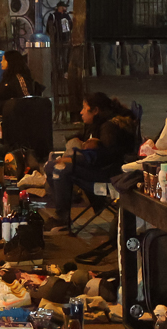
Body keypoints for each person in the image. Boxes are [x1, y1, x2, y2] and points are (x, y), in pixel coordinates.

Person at [46, 93, 139, 228]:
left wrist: (75, 159)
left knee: (60, 169)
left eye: (84, 108)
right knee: (50, 166)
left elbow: (106, 158)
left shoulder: (108, 128)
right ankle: (69, 198)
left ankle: (62, 219)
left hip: (110, 174)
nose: (81, 112)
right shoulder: (95, 124)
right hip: (95, 167)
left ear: (95, 111)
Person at [0, 49, 38, 143]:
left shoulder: (19, 78)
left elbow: (26, 98)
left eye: (3, 60)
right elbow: (0, 92)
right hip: (2, 106)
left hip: (14, 110)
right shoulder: (7, 77)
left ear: (10, 61)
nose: (1, 62)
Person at [47, 1, 73, 76]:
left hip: (65, 39)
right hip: (56, 40)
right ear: (60, 7)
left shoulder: (66, 16)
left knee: (65, 57)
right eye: (64, 7)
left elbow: (71, 26)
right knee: (57, 58)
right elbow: (49, 28)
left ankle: (65, 72)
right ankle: (57, 73)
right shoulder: (53, 16)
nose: (66, 8)